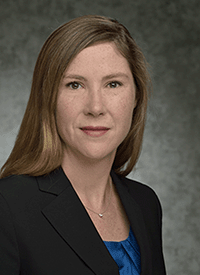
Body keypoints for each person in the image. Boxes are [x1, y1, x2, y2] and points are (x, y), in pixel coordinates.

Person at [0, 15, 166, 275]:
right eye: (74, 85)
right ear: (48, 98)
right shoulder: (7, 205)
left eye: (113, 84)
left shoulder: (145, 204)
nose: (95, 107)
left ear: (136, 96)